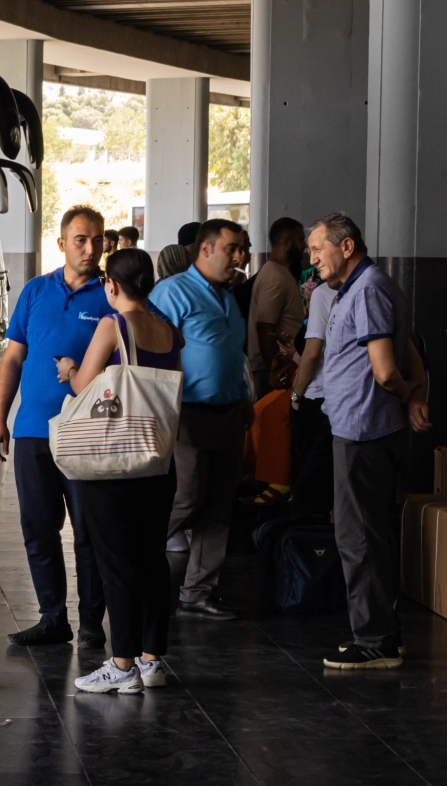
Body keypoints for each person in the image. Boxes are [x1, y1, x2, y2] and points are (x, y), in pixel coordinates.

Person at [55, 249, 183, 694]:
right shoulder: (169, 330)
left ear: (111, 285)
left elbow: (84, 385)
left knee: (117, 563)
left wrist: (69, 368)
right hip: (157, 459)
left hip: (116, 464)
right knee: (152, 559)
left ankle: (122, 665)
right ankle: (152, 660)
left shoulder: (114, 325)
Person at [306, 214, 431, 670]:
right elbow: (408, 345)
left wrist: (405, 391)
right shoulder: (359, 287)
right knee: (367, 532)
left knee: (358, 535)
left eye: (318, 247)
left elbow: (384, 366)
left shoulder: (369, 286)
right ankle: (382, 634)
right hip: (357, 424)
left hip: (363, 428)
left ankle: (375, 640)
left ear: (347, 246)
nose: (312, 257)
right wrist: (415, 389)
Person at [0, 206, 113, 648]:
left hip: (87, 433)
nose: (90, 248)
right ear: (61, 243)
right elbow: (13, 358)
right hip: (32, 432)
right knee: (38, 528)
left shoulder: (110, 295)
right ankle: (52, 617)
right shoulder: (36, 291)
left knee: (88, 531)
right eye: (80, 239)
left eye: (97, 239)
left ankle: (93, 622)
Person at [148, 219, 252, 622]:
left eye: (243, 248)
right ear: (205, 250)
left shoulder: (229, 297)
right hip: (187, 412)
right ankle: (132, 557)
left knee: (220, 505)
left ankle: (198, 592)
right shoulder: (173, 292)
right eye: (232, 248)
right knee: (188, 496)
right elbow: (151, 349)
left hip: (228, 412)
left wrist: (243, 399)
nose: (240, 256)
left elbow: (230, 355)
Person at [289, 270, 337, 514]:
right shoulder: (368, 287)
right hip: (339, 399)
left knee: (311, 478)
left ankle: (308, 539)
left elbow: (311, 353)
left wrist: (296, 397)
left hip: (315, 396)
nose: (314, 258)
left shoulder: (323, 294)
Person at [248, 217, 307, 398]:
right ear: (287, 243)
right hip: (273, 373)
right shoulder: (274, 276)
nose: (304, 245)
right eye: (300, 239)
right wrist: (277, 374)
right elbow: (265, 327)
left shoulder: (281, 273)